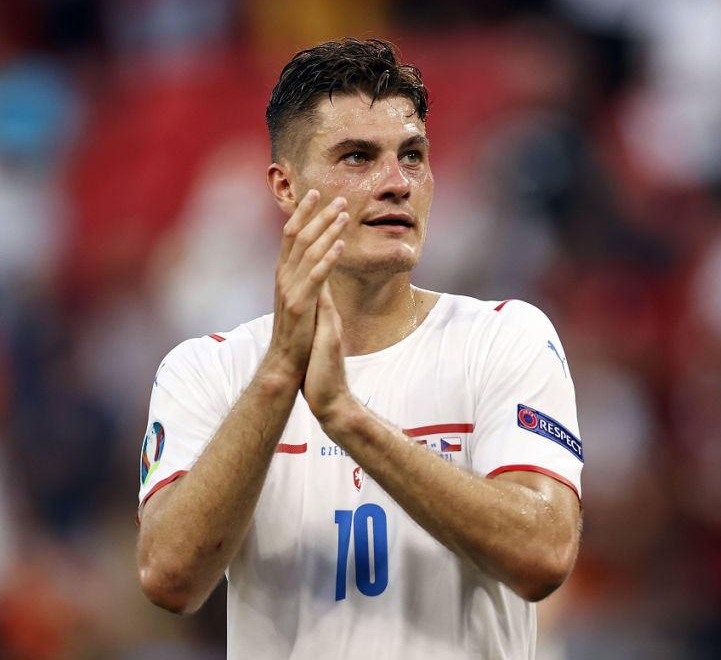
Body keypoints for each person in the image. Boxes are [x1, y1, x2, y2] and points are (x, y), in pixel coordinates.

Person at [135, 38, 584, 659]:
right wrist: (277, 378)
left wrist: (348, 418)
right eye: (357, 157)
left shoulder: (505, 338)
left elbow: (544, 553)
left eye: (413, 156)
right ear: (285, 187)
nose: (396, 183)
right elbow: (169, 577)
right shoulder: (206, 370)